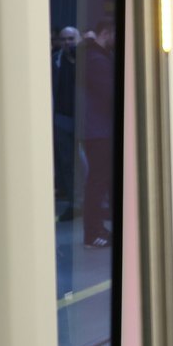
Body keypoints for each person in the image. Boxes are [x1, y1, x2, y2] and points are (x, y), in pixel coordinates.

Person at [78, 20, 117, 248]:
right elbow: (110, 94)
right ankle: (93, 232)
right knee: (97, 182)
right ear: (106, 33)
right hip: (99, 130)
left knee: (99, 181)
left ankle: (97, 229)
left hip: (97, 129)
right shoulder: (97, 60)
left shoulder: (95, 57)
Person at [52, 26, 79, 219]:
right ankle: (74, 202)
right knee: (66, 162)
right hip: (62, 117)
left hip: (85, 118)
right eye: (64, 39)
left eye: (71, 39)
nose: (67, 43)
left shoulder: (86, 60)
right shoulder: (55, 60)